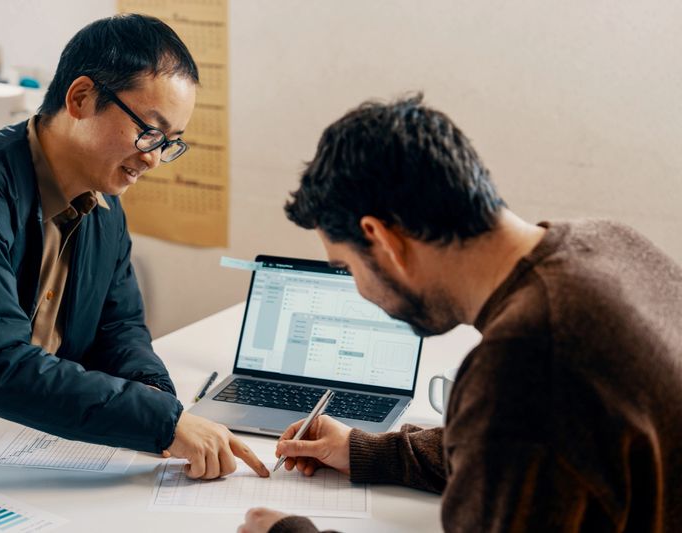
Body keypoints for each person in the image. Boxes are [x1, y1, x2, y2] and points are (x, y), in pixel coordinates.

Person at [239, 95, 682, 532]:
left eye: (347, 267)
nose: (357, 288)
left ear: (382, 239)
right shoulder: (611, 241)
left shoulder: (529, 356)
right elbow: (517, 448)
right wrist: (366, 451)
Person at [0, 14, 268, 481]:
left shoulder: (104, 204)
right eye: (149, 131)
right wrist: (162, 424)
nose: (152, 159)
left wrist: (160, 402)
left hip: (12, 437)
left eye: (170, 143)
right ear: (81, 98)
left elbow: (118, 328)